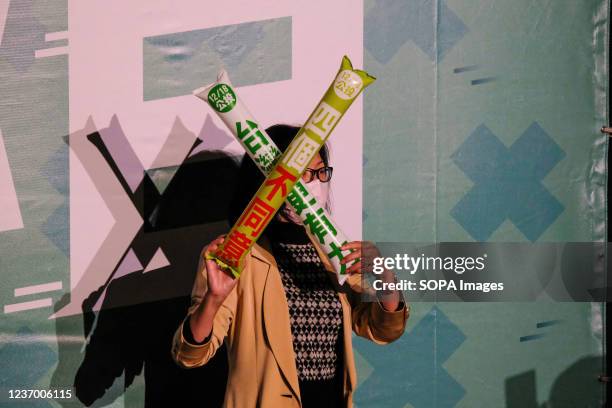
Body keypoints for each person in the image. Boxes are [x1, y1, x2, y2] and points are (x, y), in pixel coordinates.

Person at [171, 124, 409, 407]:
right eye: (302, 174)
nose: (314, 183)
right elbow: (190, 355)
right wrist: (213, 299)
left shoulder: (329, 248)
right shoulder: (236, 253)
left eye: (320, 172)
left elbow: (383, 329)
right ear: (268, 180)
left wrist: (385, 275)